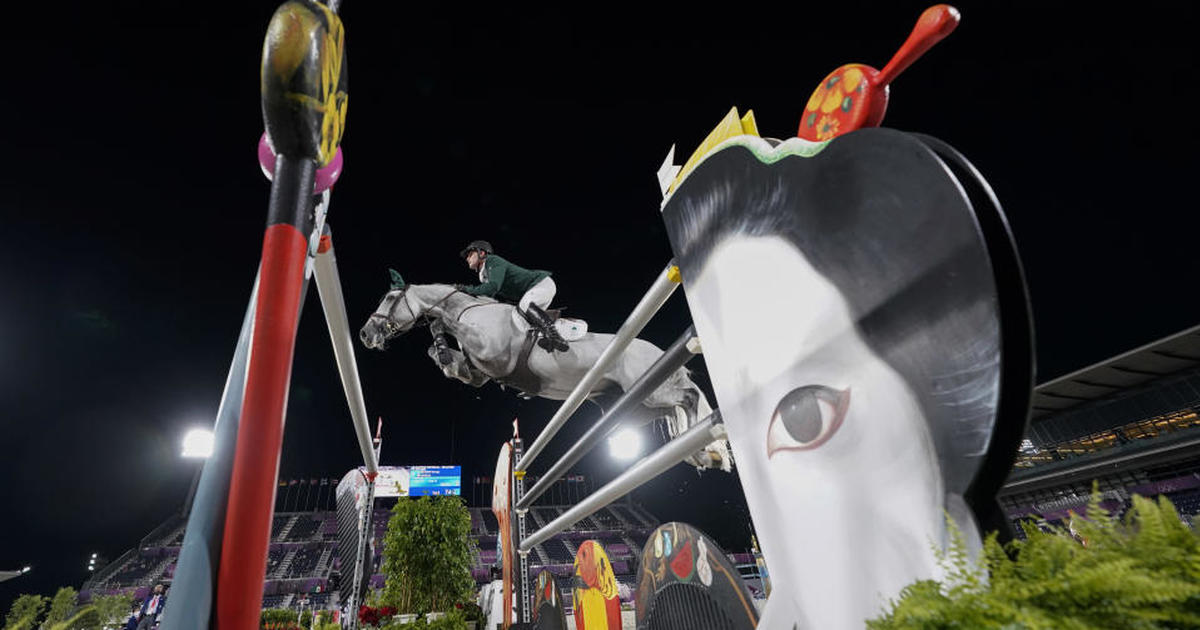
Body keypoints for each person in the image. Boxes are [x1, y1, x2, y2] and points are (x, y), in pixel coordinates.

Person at [458, 240, 569, 352]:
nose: (467, 258)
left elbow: (493, 287)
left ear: (482, 253)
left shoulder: (492, 260)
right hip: (534, 290)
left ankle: (555, 337)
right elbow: (490, 295)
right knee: (521, 322)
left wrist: (467, 289)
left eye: (470, 254)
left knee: (525, 305)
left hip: (541, 284)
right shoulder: (484, 275)